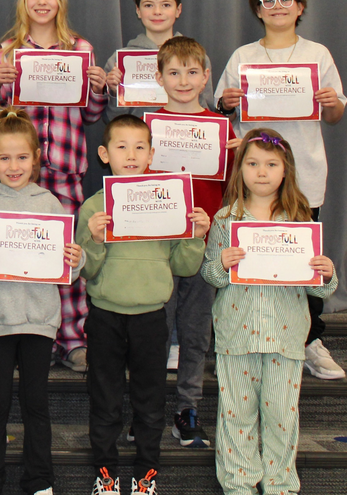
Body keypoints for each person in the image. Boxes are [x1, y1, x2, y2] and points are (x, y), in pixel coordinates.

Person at [214, 0, 346, 381]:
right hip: (251, 177)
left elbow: (337, 113)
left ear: (299, 6)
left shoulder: (318, 54)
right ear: (258, 10)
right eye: (268, 2)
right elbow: (221, 106)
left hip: (303, 175)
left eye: (285, 0)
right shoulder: (242, 56)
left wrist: (329, 103)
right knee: (249, 252)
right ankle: (246, 331)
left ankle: (310, 341)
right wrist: (227, 101)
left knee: (302, 257)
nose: (277, 8)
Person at [76, 115, 210, 495]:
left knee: (150, 402)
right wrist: (97, 239)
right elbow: (86, 270)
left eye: (139, 147)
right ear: (105, 154)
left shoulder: (168, 202)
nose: (131, 155)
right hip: (105, 316)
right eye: (121, 147)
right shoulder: (93, 208)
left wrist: (196, 236)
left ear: (152, 153)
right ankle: (105, 474)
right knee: (104, 399)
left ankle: (146, 475)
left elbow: (184, 266)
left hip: (151, 317)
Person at [201, 129, 338, 495]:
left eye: (271, 164)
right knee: (236, 415)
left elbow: (319, 286)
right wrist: (222, 264)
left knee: (281, 415)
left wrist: (326, 272)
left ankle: (280, 485)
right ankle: (239, 485)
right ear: (240, 169)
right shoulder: (225, 219)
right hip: (236, 334)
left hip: (285, 333)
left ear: (285, 169)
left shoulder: (300, 220)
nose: (261, 171)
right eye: (252, 163)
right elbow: (209, 272)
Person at [0, 0, 109, 373]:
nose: (42, 2)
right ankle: (29, 339)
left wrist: (96, 87)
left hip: (65, 172)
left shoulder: (80, 48)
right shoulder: (7, 51)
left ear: (60, 2)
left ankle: (74, 340)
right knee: (24, 256)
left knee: (68, 257)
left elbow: (92, 115)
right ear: (24, 2)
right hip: (21, 176)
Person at [0, 108, 83, 495]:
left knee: (36, 405)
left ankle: (40, 482)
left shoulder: (49, 203)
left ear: (36, 158)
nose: (13, 166)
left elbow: (67, 270)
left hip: (39, 321)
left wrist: (75, 261)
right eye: (4, 157)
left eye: (22, 157)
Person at [145, 37, 239, 449]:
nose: (183, 81)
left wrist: (236, 152)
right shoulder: (146, 128)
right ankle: (146, 413)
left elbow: (234, 190)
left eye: (192, 72)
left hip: (204, 243)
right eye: (174, 72)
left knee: (196, 331)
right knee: (155, 331)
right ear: (159, 77)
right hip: (157, 246)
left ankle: (187, 409)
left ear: (205, 77)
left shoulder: (225, 132)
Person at [102, 0, 215, 122]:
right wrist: (116, 93)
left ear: (178, 10)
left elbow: (208, 113)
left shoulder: (198, 57)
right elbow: (111, 120)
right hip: (139, 141)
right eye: (149, 5)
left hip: (183, 139)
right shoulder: (119, 61)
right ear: (138, 11)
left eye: (166, 5)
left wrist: (194, 94)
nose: (157, 11)